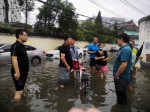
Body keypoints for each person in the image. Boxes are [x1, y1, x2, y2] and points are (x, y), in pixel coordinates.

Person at [113, 33, 132, 105]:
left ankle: (123, 109)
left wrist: (117, 75)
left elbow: (124, 65)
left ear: (121, 39)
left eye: (118, 39)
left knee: (122, 99)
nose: (117, 41)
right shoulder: (124, 49)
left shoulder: (125, 50)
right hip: (121, 77)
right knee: (120, 96)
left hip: (121, 77)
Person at [10, 29, 29, 101]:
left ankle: (17, 101)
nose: (27, 37)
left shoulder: (22, 46)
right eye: (25, 35)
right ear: (20, 36)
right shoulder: (15, 46)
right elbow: (14, 59)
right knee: (19, 91)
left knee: (19, 90)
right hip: (19, 74)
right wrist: (17, 72)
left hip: (23, 73)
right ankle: (18, 106)